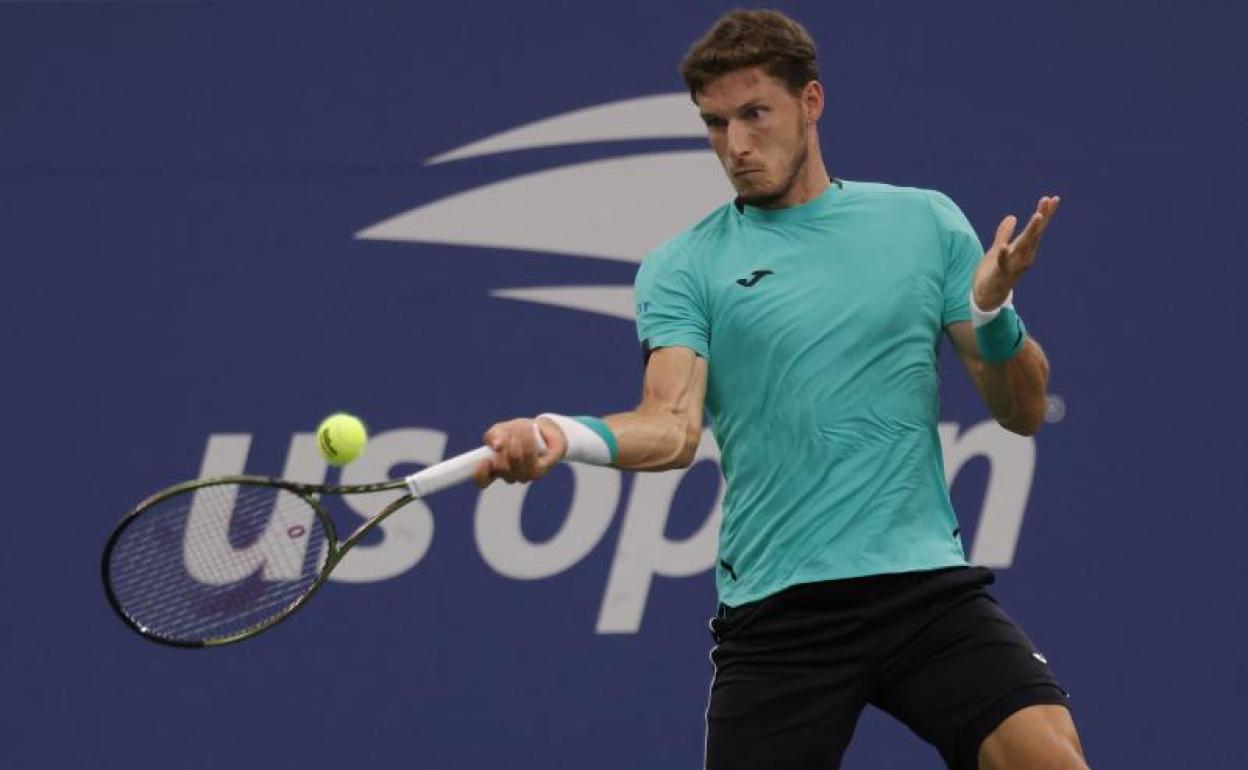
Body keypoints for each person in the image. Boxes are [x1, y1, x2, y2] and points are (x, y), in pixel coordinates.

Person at [473, 9, 1087, 770]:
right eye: (715, 123)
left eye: (755, 114)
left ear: (810, 102)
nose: (735, 144)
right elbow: (671, 427)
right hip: (779, 614)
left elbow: (1022, 412)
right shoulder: (684, 266)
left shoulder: (924, 223)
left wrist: (992, 313)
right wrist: (557, 435)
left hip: (924, 592)